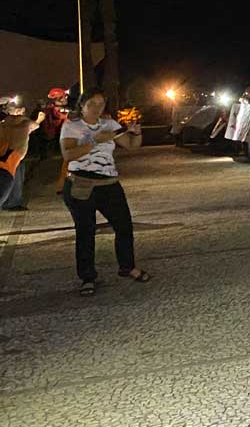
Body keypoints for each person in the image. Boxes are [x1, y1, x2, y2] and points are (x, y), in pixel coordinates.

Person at [59, 88, 148, 296]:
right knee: (85, 231)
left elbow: (131, 146)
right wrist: (94, 141)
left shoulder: (109, 125)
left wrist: (136, 132)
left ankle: (127, 266)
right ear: (82, 105)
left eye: (101, 104)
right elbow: (68, 154)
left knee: (124, 225)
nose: (97, 108)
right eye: (92, 104)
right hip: (81, 184)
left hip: (109, 183)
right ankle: (87, 277)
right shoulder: (72, 126)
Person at [0, 97, 44, 211]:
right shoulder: (25, 123)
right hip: (9, 164)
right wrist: (39, 119)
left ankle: (10, 202)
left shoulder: (3, 124)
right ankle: (12, 203)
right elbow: (35, 125)